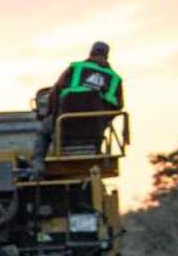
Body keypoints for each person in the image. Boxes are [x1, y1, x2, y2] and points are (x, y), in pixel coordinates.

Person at [30, 41, 123, 179]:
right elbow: (117, 107)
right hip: (94, 131)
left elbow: (55, 93)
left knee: (43, 132)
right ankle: (97, 147)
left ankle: (38, 165)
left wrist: (51, 115)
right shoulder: (115, 79)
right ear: (107, 55)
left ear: (91, 52)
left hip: (65, 126)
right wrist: (101, 123)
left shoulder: (76, 68)